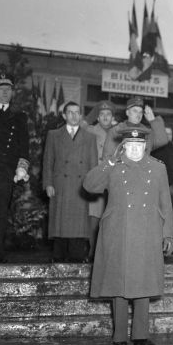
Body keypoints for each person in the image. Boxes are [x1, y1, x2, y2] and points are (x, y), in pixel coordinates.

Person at [83, 127, 173, 345]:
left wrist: (169, 233)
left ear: (145, 146)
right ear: (123, 146)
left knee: (143, 283)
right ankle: (119, 336)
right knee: (119, 284)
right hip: (118, 232)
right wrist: (109, 162)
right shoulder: (114, 166)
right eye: (130, 146)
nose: (134, 150)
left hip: (147, 231)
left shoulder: (157, 168)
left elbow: (166, 203)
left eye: (139, 146)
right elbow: (89, 185)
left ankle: (141, 335)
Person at [43, 101, 97, 262]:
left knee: (78, 226)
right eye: (70, 112)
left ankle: (77, 258)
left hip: (81, 187)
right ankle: (58, 258)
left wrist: (92, 186)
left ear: (80, 116)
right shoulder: (53, 135)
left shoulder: (89, 137)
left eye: (77, 112)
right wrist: (48, 184)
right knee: (60, 223)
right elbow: (48, 162)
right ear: (64, 115)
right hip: (60, 186)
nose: (74, 115)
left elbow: (93, 165)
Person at [0, 73, 30, 263]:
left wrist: (21, 168)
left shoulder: (19, 117)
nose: (5, 93)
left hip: (5, 172)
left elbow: (24, 146)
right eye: (1, 89)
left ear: (12, 93)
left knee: (0, 212)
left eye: (8, 90)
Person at [81, 100, 116, 259]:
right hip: (97, 178)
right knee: (94, 216)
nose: (105, 117)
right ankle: (91, 251)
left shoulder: (118, 132)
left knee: (111, 216)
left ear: (112, 116)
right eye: (101, 114)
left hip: (114, 179)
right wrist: (93, 111)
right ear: (98, 117)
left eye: (108, 114)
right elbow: (80, 125)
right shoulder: (90, 130)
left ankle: (107, 254)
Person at [101, 96, 168, 161]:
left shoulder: (146, 132)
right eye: (135, 111)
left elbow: (162, 140)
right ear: (127, 113)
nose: (138, 115)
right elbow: (107, 157)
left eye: (140, 112)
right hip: (121, 170)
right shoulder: (116, 131)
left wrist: (153, 120)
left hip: (142, 171)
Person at [151, 126, 173, 228]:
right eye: (165, 133)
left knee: (171, 213)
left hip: (171, 186)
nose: (167, 135)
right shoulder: (155, 148)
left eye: (170, 133)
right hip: (156, 185)